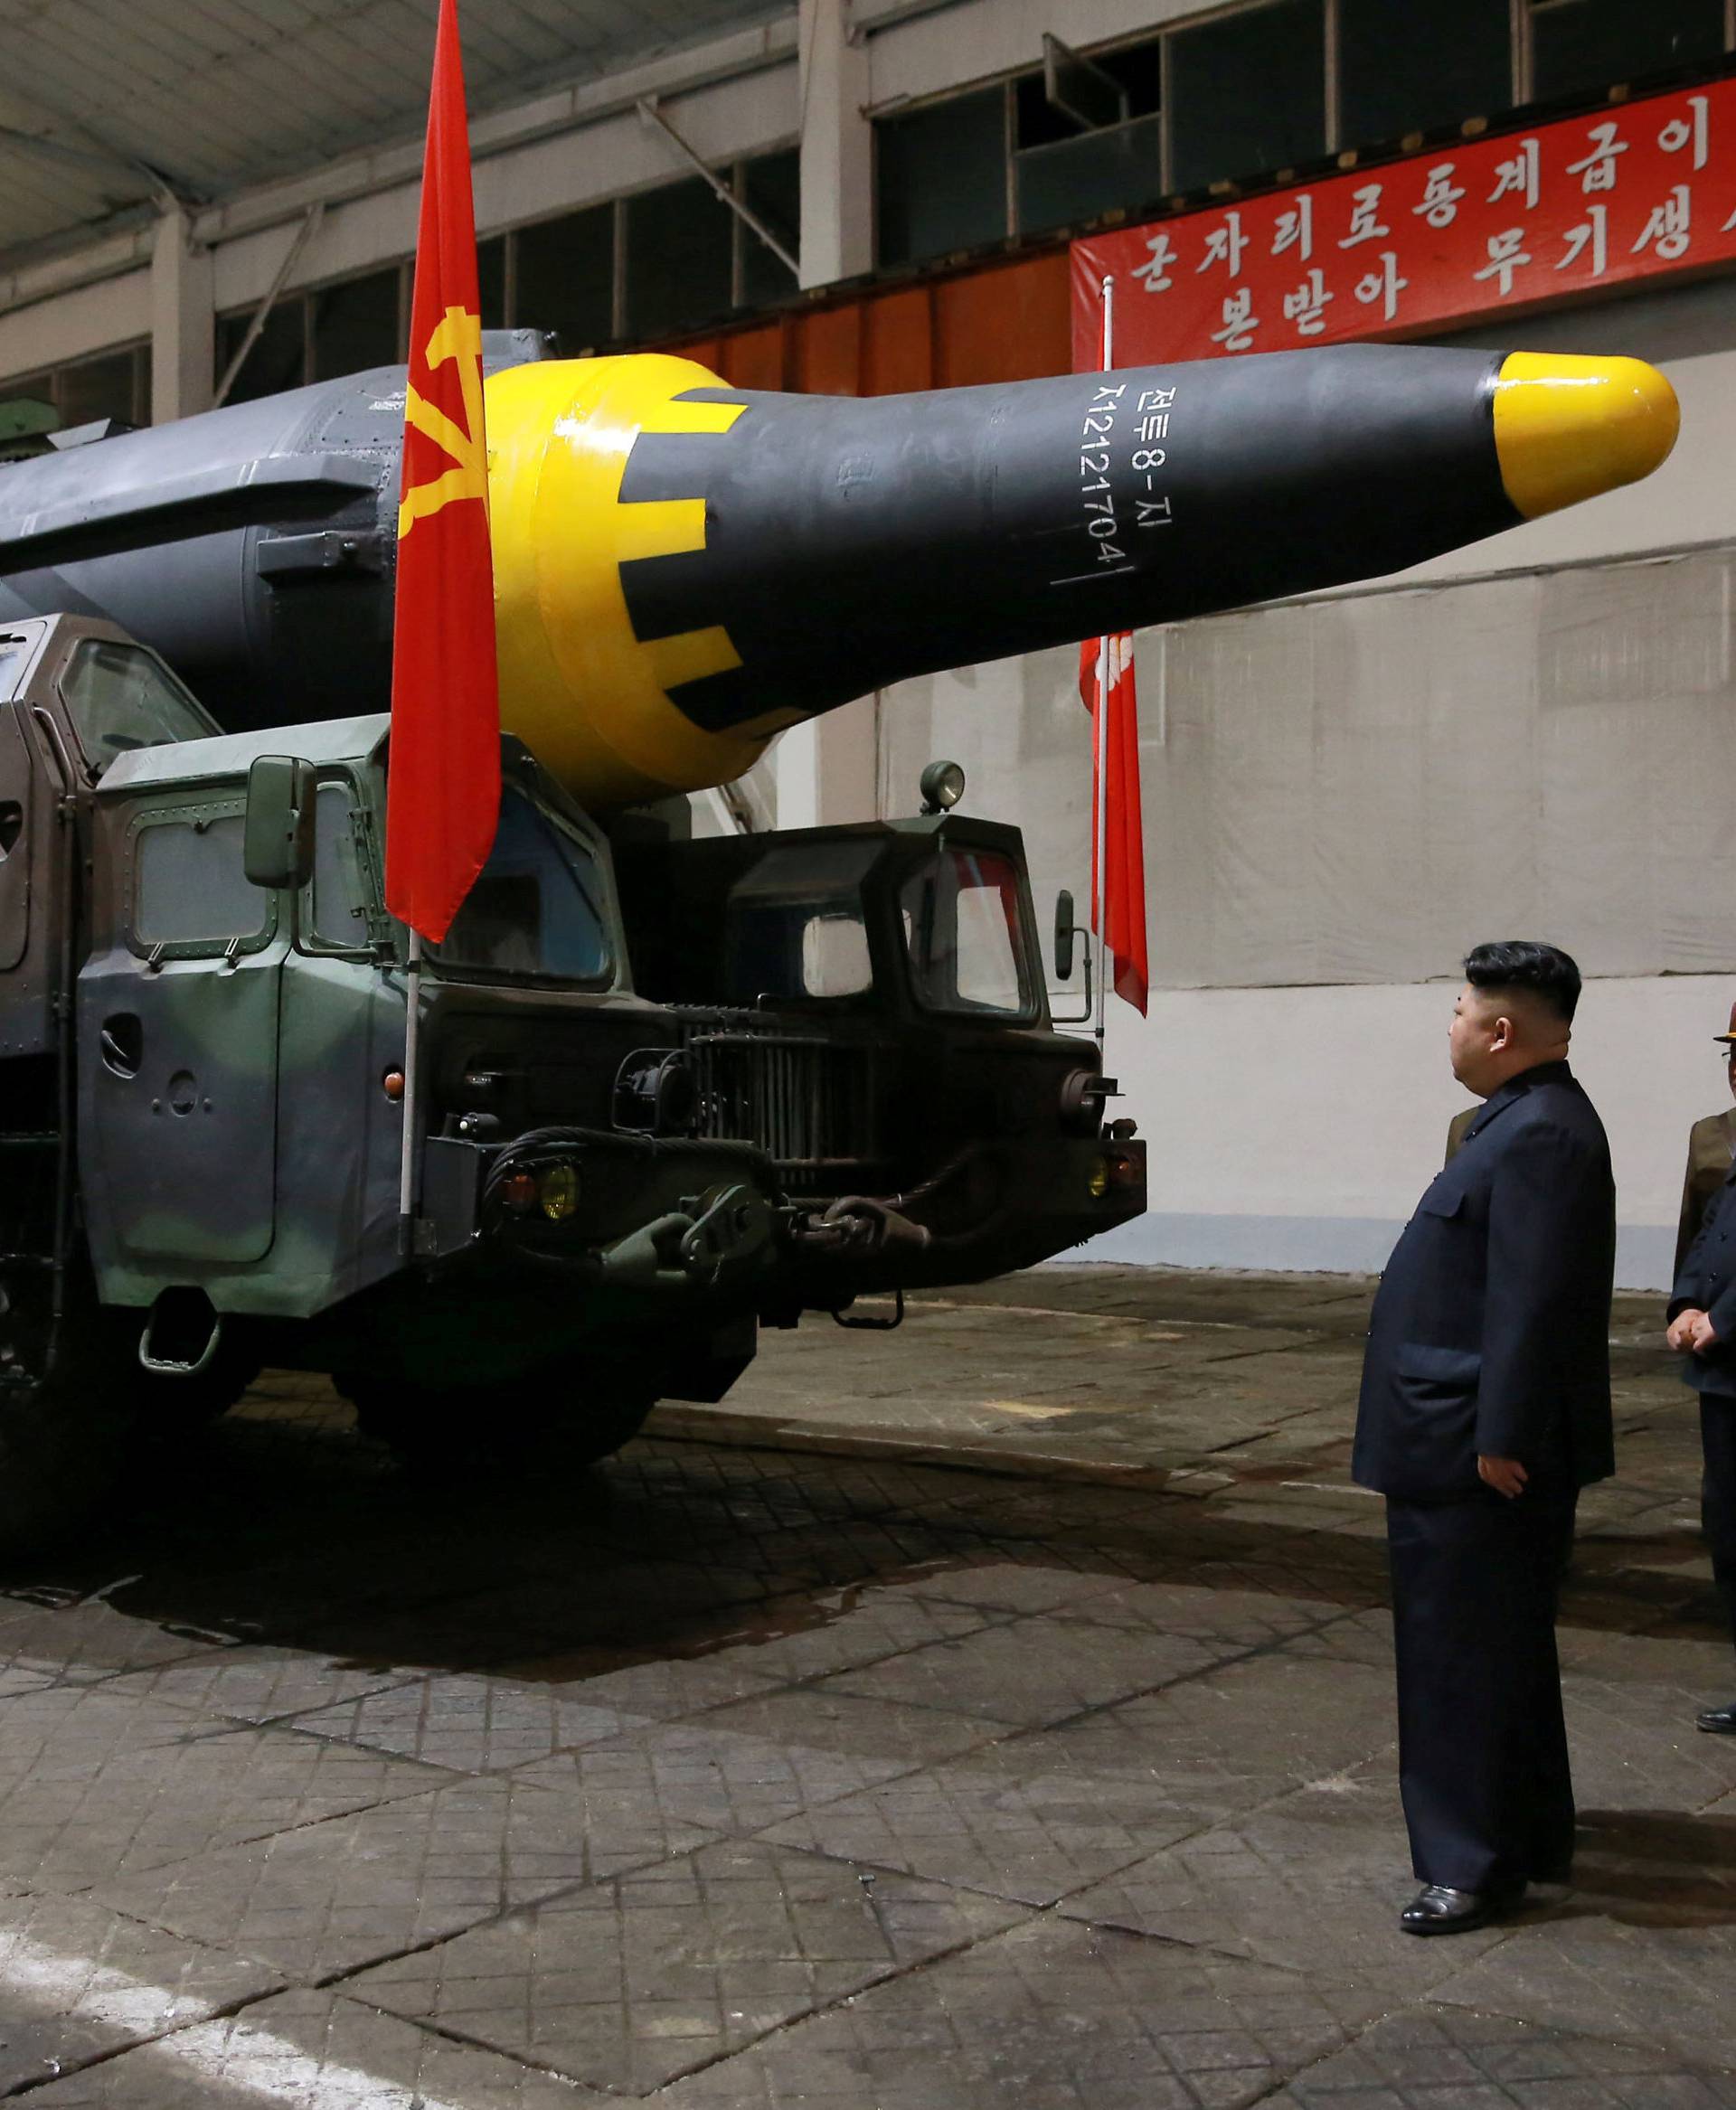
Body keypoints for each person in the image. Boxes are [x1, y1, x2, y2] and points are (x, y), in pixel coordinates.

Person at [1354, 941, 1616, 1936]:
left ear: (1501, 1031)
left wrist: (1503, 1434)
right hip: (1465, 1436)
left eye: (1461, 1009)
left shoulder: (1539, 1133)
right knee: (1502, 1654)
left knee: (1456, 1660)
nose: (1452, 1025)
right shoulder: (1520, 1120)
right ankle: (1532, 1834)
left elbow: (1532, 1302)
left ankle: (1471, 1863)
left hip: (1472, 1449)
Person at [1664, 1010, 1736, 1730]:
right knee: (1729, 1527)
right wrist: (1685, 1301)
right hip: (1721, 1370)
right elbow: (1704, 1229)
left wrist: (1727, 1318)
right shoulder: (1715, 1135)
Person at [1675, 1003, 1736, 1275]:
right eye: (1733, 1057)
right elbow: (1691, 1232)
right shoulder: (1707, 1134)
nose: (1735, 1071)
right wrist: (1683, 1303)